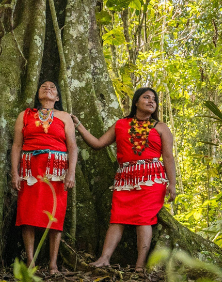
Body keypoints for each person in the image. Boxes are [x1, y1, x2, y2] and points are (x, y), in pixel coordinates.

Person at [73, 87, 178, 270]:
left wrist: (172, 184)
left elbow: (168, 157)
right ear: (136, 102)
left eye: (154, 99)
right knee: (117, 218)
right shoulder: (121, 124)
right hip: (125, 180)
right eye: (146, 97)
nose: (151, 101)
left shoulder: (161, 127)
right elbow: (98, 143)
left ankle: (140, 265)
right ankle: (104, 258)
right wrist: (78, 125)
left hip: (152, 179)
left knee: (143, 219)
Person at [11, 80, 78, 273]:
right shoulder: (25, 115)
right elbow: (16, 145)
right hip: (30, 170)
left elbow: (72, 146)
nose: (48, 88)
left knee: (55, 214)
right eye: (43, 86)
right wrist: (14, 173)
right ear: (37, 94)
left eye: (52, 87)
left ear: (57, 97)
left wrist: (71, 172)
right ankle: (30, 262)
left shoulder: (64, 116)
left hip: (56, 171)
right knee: (27, 214)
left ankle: (53, 264)